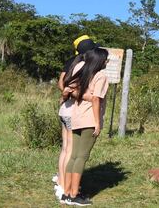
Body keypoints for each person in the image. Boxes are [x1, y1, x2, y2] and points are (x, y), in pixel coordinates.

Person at [61, 47, 109, 206]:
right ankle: (74, 195)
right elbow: (96, 99)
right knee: (81, 157)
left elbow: (68, 88)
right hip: (89, 120)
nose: (107, 61)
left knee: (73, 155)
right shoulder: (101, 76)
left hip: (76, 117)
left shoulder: (83, 73)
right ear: (100, 61)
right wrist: (97, 123)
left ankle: (66, 193)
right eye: (106, 59)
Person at [54, 36, 97, 201]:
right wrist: (75, 94)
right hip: (75, 112)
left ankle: (61, 183)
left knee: (65, 149)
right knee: (72, 152)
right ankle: (66, 189)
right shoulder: (86, 65)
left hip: (64, 109)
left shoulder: (71, 62)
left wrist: (65, 93)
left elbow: (61, 83)